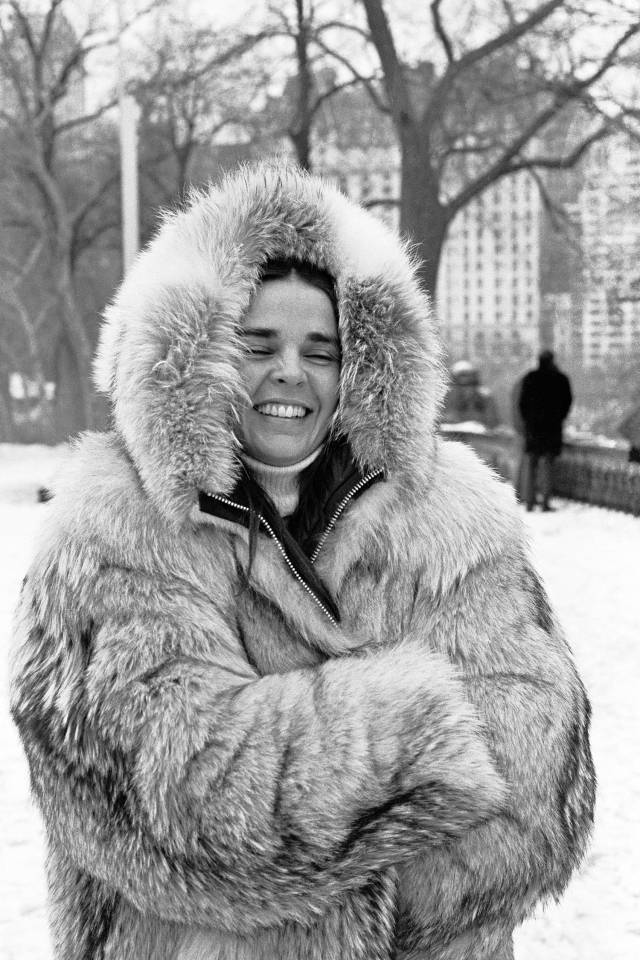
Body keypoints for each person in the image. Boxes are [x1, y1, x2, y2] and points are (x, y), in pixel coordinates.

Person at [10, 162, 594, 960]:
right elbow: (176, 801)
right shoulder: (111, 527)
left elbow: (531, 797)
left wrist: (311, 819)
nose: (291, 370)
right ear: (199, 353)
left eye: (321, 350)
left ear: (358, 370)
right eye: (259, 344)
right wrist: (416, 733)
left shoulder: (454, 521)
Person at [518, 349, 573, 511]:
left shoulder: (530, 378)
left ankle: (529, 502)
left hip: (533, 428)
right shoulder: (560, 379)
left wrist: (528, 421)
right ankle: (545, 502)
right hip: (552, 427)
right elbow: (567, 402)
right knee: (548, 463)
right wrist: (559, 417)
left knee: (531, 463)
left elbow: (522, 404)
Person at [441, 360, 500, 429]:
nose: (466, 389)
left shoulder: (485, 398)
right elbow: (439, 424)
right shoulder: (446, 398)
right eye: (461, 385)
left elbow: (493, 425)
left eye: (470, 384)